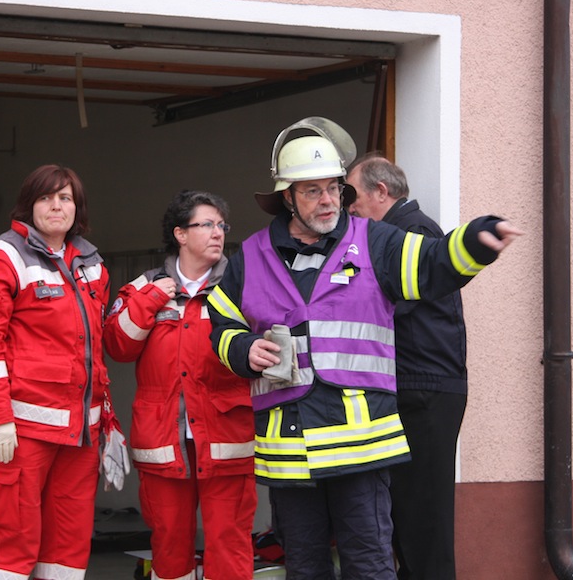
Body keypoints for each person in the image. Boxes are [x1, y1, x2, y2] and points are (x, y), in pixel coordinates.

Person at [207, 117, 522, 580]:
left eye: (333, 188)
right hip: (289, 453)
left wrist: (475, 241)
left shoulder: (374, 242)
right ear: (288, 198)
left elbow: (432, 263)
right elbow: (221, 322)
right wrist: (242, 348)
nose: (328, 200)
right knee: (305, 569)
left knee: (369, 566)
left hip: (361, 450)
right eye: (312, 191)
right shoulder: (250, 258)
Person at [0, 164, 124, 580]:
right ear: (28, 205)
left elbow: (94, 351)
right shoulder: (0, 259)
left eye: (65, 198)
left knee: (68, 547)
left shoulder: (91, 264)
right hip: (22, 432)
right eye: (46, 197)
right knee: (12, 543)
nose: (56, 206)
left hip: (81, 433)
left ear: (77, 207)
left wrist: (106, 421)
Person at [104, 190, 257, 580]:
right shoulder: (144, 286)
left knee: (229, 544)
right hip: (163, 441)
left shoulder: (244, 285)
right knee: (170, 545)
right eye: (207, 224)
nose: (218, 233)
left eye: (222, 225)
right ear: (180, 234)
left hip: (226, 437)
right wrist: (151, 299)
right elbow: (117, 347)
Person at [346, 154, 467, 580]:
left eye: (353, 196)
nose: (349, 207)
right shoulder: (402, 232)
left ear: (381, 191)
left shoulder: (411, 233)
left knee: (424, 524)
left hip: (425, 391)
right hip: (417, 388)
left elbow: (386, 305)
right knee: (407, 520)